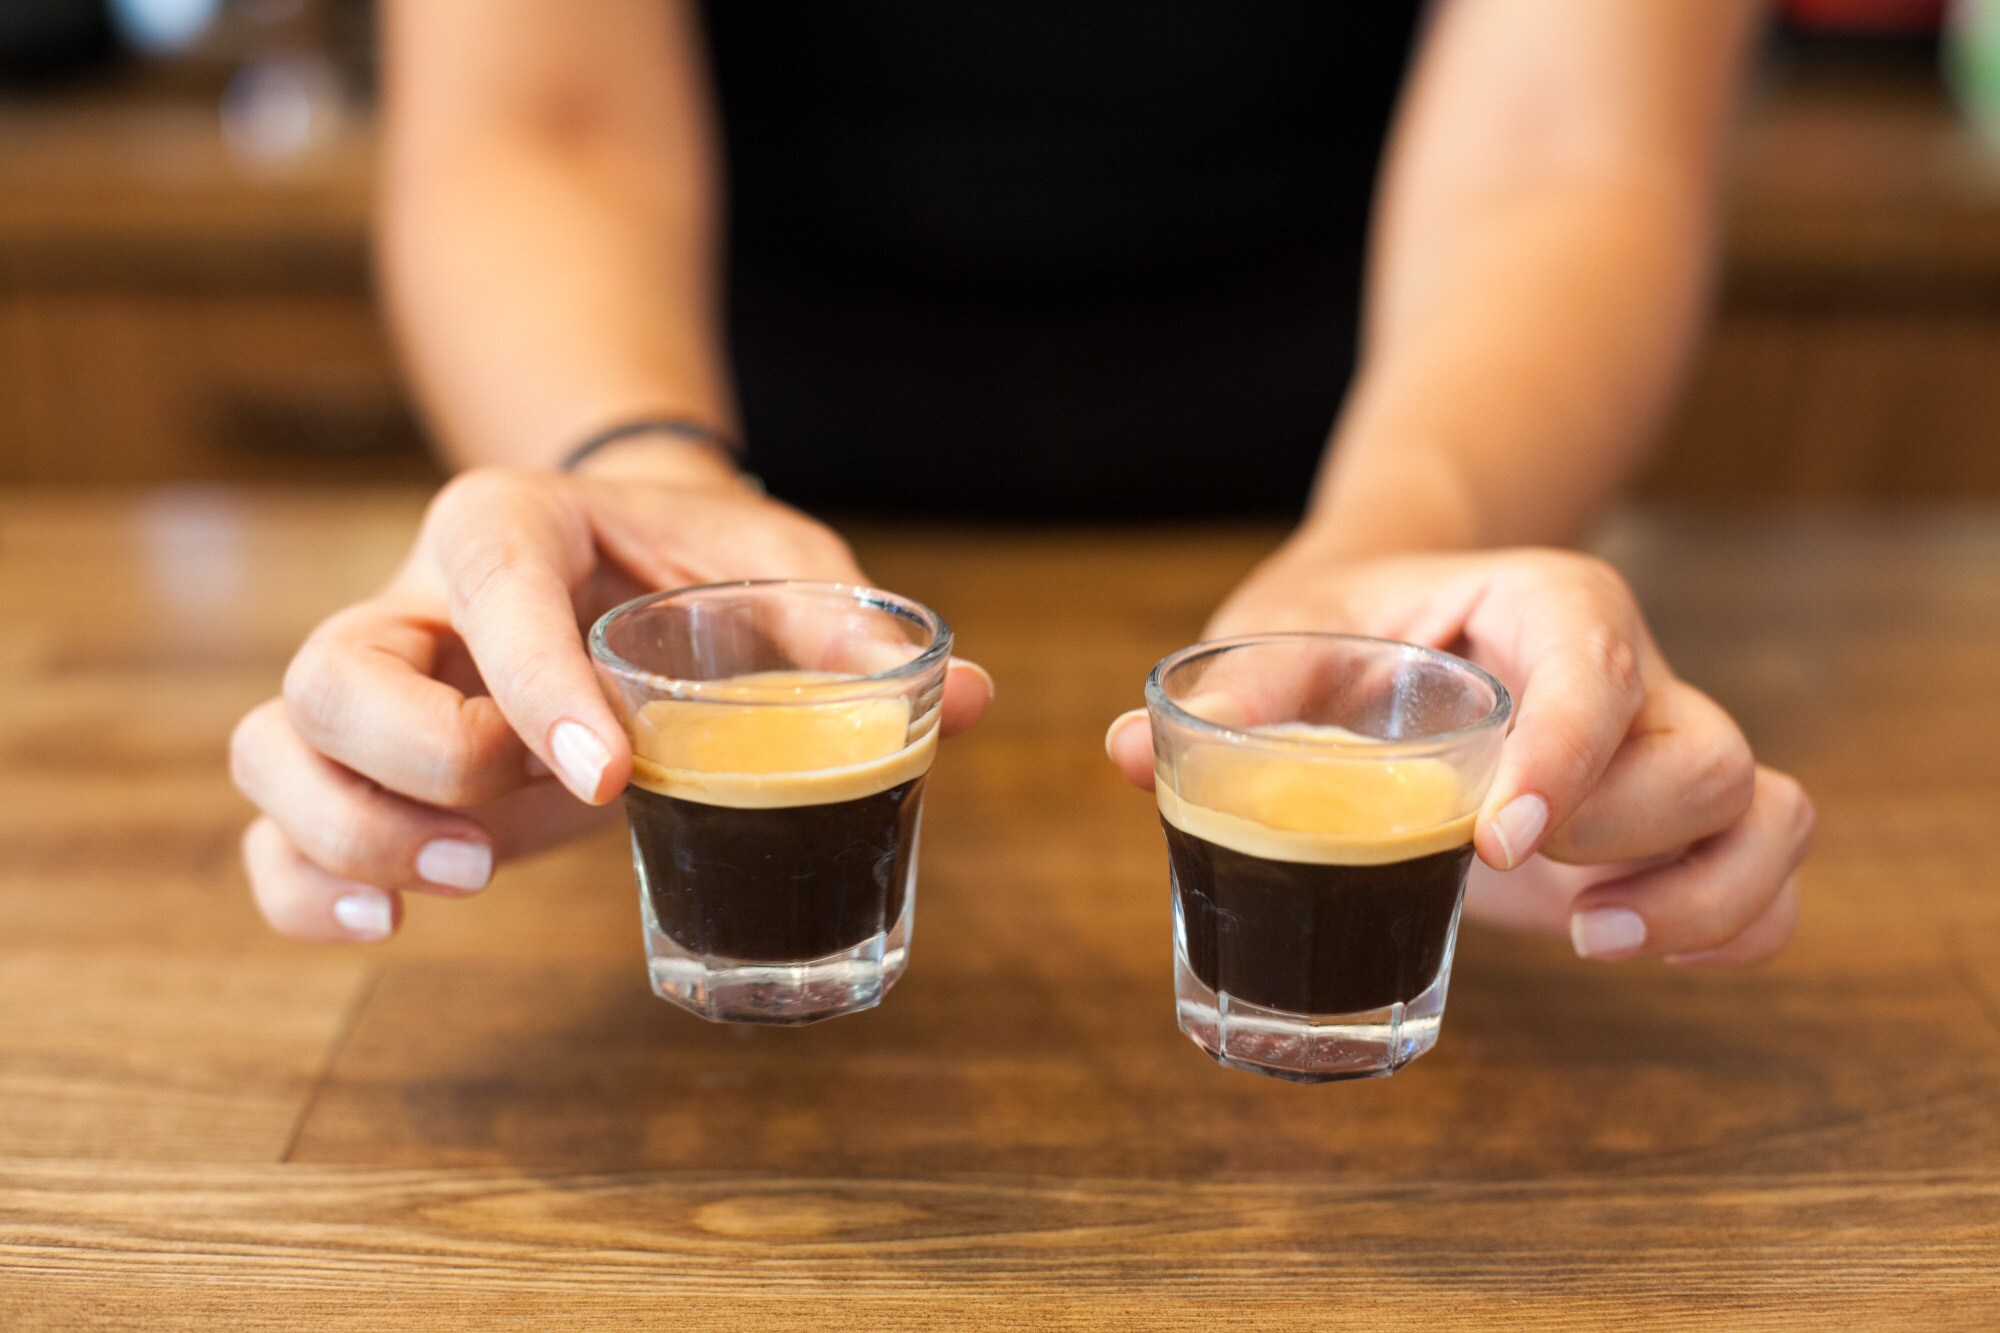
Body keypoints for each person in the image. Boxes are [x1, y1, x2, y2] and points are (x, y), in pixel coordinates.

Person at [229, 0, 1813, 968]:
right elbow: (538, 117)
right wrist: (637, 494)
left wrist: (1402, 551)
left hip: (1377, 448)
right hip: (742, 474)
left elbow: (1566, 144)